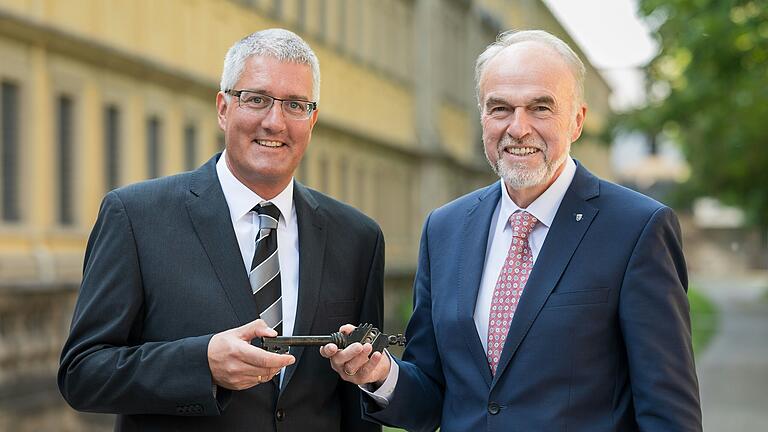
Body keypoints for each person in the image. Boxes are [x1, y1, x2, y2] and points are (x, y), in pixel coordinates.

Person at [322, 29, 702, 431]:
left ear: (577, 120)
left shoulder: (637, 228)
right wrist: (381, 375)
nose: (518, 128)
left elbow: (668, 414)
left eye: (540, 108)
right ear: (483, 117)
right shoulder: (445, 228)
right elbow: (432, 394)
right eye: (500, 108)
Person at [58, 28, 384, 432]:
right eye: (257, 99)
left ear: (312, 119)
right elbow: (81, 373)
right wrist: (202, 364)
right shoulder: (136, 217)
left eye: (295, 105)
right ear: (223, 108)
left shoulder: (357, 238)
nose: (274, 121)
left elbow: (357, 403)